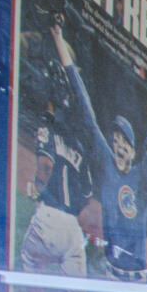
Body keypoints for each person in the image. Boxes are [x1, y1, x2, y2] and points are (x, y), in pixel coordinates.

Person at [56, 23, 147, 278]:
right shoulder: (107, 163)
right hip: (110, 273)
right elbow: (85, 108)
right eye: (116, 139)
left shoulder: (140, 175)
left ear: (133, 152)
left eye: (125, 142)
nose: (119, 145)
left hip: (137, 276)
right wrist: (58, 38)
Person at [19, 114, 91, 275]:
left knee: (28, 261)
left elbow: (45, 166)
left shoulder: (48, 128)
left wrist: (38, 190)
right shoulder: (80, 147)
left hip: (49, 215)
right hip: (73, 227)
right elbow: (87, 197)